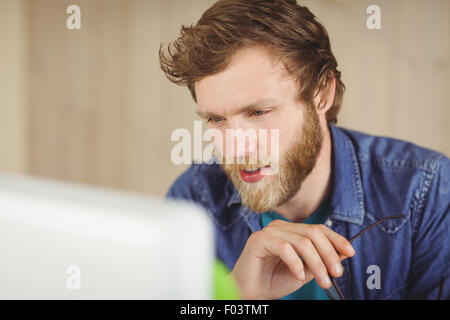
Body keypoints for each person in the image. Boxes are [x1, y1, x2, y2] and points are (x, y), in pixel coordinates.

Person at [160, 0, 449, 299]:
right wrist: (237, 298)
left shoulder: (424, 192)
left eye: (258, 112)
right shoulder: (193, 202)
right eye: (216, 119)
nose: (235, 147)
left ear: (322, 94)